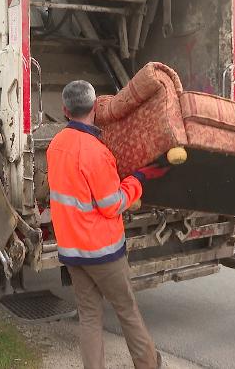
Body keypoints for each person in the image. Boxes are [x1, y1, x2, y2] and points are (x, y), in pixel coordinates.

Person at [47, 80, 167, 369]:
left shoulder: (55, 145)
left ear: (65, 109)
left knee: (89, 316)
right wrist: (138, 180)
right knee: (127, 310)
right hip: (103, 252)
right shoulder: (96, 151)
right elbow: (112, 204)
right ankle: (149, 364)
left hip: (73, 251)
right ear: (96, 109)